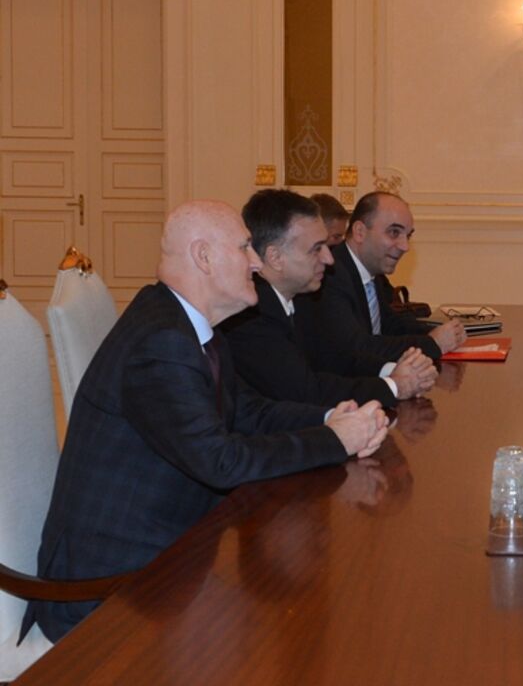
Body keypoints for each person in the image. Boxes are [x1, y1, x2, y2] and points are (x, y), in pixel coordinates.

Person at [26, 201, 388, 641]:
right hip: (111, 588)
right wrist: (335, 441)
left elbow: (248, 411)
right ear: (203, 256)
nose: (256, 262)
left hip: (170, 554)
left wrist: (332, 418)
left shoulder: (187, 324)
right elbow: (221, 462)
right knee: (288, 619)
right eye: (243, 248)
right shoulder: (162, 341)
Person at [222, 189, 437, 408]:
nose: (329, 259)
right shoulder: (250, 315)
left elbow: (336, 357)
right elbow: (305, 392)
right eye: (316, 249)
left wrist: (394, 370)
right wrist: (394, 386)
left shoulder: (303, 297)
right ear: (275, 257)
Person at [299, 191, 465, 376]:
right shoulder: (330, 275)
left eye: (408, 235)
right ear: (360, 232)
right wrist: (432, 343)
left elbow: (390, 325)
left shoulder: (371, 270)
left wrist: (437, 331)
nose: (405, 246)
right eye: (394, 232)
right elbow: (356, 347)